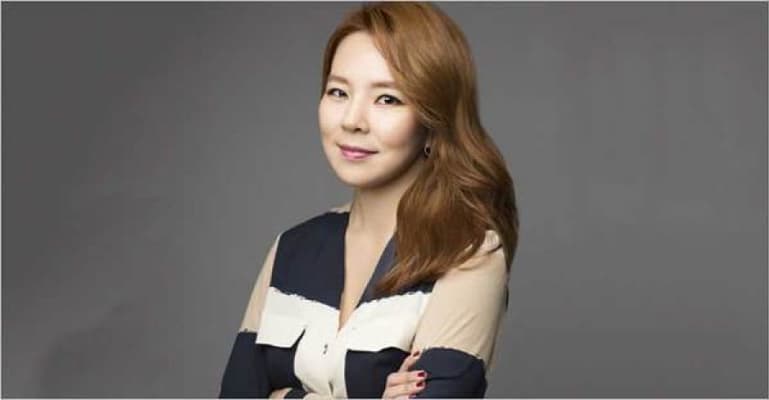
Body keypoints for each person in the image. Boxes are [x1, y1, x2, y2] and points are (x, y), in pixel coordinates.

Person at [219, 2, 519, 398]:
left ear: (434, 120)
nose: (352, 120)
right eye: (338, 92)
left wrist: (284, 395)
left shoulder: (468, 255)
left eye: (387, 99)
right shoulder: (291, 249)